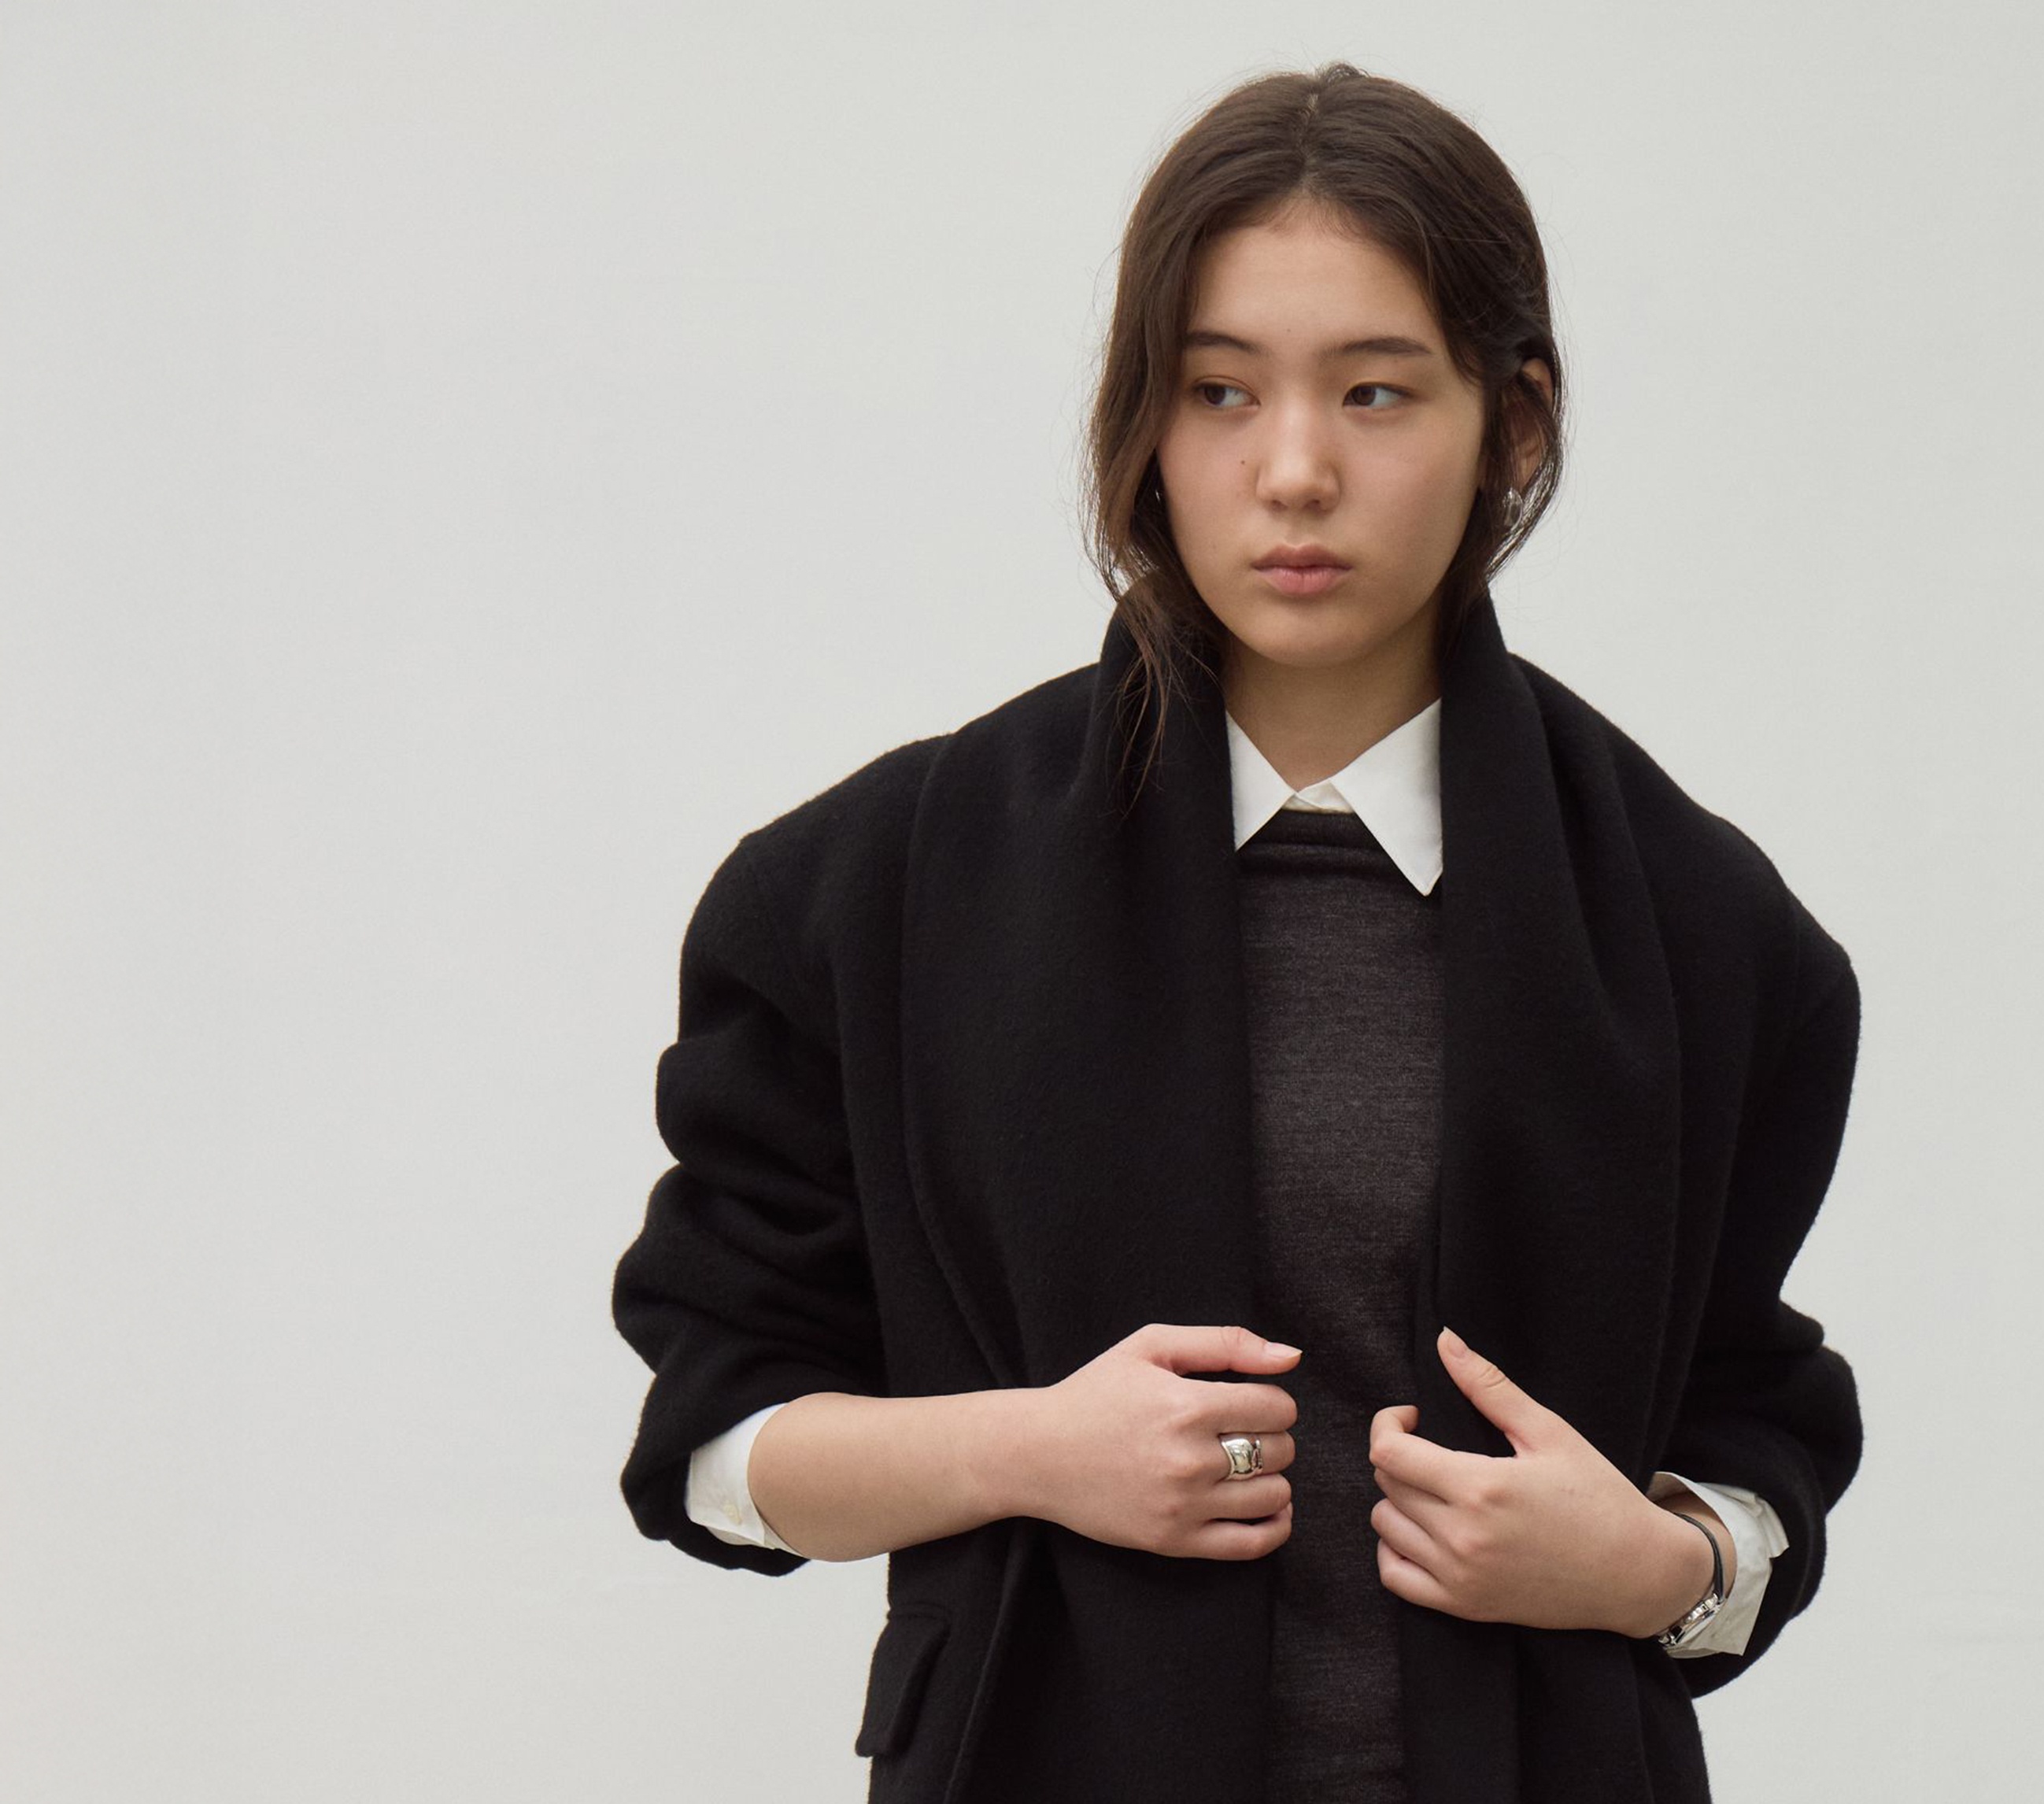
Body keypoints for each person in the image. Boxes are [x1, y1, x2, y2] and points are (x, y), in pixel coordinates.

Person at [613, 61, 1864, 1804]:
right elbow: (715, 1444)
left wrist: (1653, 1567)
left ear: (1512, 425)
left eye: (1375, 391)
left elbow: (1753, 1421)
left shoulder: (1702, 934)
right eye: (1220, 392)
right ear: (1143, 423)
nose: (1292, 471)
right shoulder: (875, 891)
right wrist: (1033, 1452)